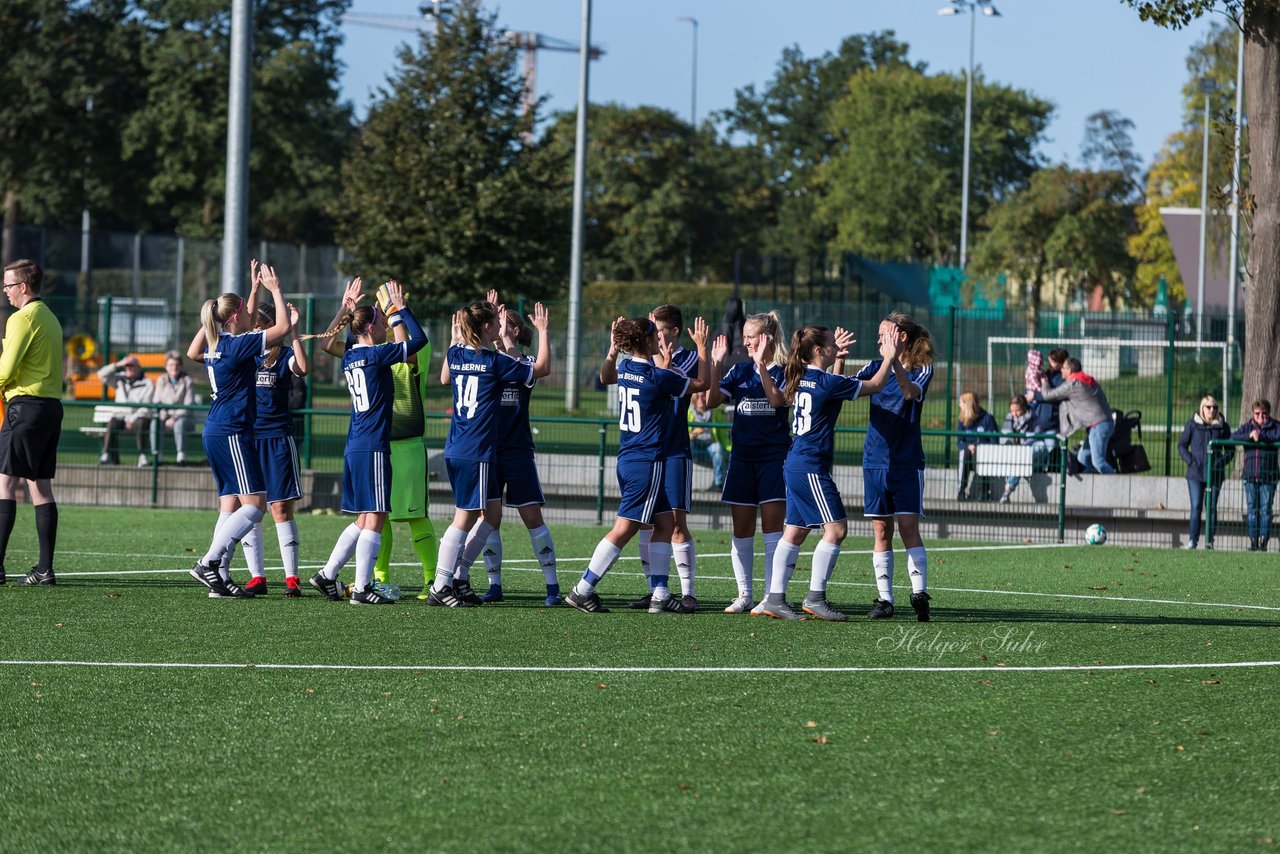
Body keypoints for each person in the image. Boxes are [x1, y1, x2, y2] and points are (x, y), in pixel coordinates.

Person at [564, 316, 710, 614]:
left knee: (665, 523)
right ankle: (583, 588)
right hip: (648, 460)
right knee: (624, 528)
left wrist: (612, 350)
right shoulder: (657, 375)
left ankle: (659, 593)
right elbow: (703, 384)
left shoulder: (627, 367)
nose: (659, 337)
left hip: (629, 456)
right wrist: (703, 349)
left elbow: (606, 377)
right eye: (654, 333)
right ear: (646, 340)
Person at [756, 322, 899, 621]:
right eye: (832, 345)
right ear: (819, 351)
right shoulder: (826, 383)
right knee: (836, 529)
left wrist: (840, 360)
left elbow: (830, 391)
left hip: (795, 462)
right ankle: (815, 598)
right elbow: (875, 386)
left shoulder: (801, 377)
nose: (837, 347)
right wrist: (889, 357)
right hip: (810, 465)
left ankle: (775, 599)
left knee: (794, 531)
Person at [310, 280, 428, 604]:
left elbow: (326, 343)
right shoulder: (377, 355)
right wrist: (398, 310)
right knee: (376, 517)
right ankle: (363, 588)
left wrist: (343, 309)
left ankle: (327, 574)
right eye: (381, 324)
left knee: (364, 518)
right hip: (373, 444)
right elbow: (419, 340)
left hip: (355, 445)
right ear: (374, 326)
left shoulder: (350, 356)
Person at [425, 299, 545, 607]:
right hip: (475, 450)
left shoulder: (455, 353)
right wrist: (539, 331)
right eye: (496, 322)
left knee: (491, 515)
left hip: (459, 446)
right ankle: (441, 585)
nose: (501, 325)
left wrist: (474, 328)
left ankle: (459, 577)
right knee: (463, 518)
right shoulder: (496, 362)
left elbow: (446, 376)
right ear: (488, 327)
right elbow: (538, 369)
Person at [185, 260, 291, 599]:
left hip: (216, 429)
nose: (251, 318)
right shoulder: (237, 345)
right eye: (245, 312)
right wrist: (275, 291)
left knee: (230, 503)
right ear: (234, 318)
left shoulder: (217, 346)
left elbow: (193, 350)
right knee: (256, 505)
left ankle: (219, 577)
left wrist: (252, 291)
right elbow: (282, 328)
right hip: (231, 430)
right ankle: (209, 562)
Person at [599, 303, 703, 612]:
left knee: (674, 523)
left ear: (673, 332)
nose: (653, 336)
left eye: (658, 329)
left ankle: (687, 593)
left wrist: (704, 355)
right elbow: (616, 375)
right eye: (651, 331)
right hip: (648, 453)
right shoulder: (645, 366)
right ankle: (655, 590)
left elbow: (707, 395)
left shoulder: (685, 359)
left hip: (673, 450)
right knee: (647, 524)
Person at [707, 311, 788, 614]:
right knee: (742, 530)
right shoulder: (738, 371)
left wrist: (763, 367)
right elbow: (712, 401)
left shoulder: (785, 369)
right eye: (745, 338)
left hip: (773, 459)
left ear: (767, 338)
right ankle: (744, 595)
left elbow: (777, 400)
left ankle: (772, 596)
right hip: (742, 459)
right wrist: (716, 365)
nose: (746, 344)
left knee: (772, 531)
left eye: (751, 338)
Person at [859, 312, 937, 621]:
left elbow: (909, 393)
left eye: (884, 333)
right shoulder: (873, 367)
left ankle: (919, 593)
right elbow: (843, 388)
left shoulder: (922, 370)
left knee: (907, 526)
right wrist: (836, 360)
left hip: (906, 464)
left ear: (901, 337)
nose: (878, 339)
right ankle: (885, 599)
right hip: (874, 462)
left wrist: (892, 363)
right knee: (881, 531)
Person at [237, 297, 309, 597]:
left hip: (278, 437)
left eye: (259, 322)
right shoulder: (247, 352)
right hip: (250, 437)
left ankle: (292, 578)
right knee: (252, 509)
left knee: (280, 508)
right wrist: (255, 288)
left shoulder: (285, 354)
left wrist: (293, 330)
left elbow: (303, 369)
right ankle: (258, 576)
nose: (254, 326)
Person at [0, 259, 64, 586]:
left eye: (9, 285)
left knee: (6, 483)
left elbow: (6, 370)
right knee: (40, 487)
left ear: (23, 287)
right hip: (51, 407)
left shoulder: (21, 318)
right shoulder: (50, 317)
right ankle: (44, 569)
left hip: (24, 407)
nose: (6, 291)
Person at [1032, 357, 1115, 475]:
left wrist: (1044, 382)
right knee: (1083, 457)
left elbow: (1049, 395)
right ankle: (1085, 489)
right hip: (1103, 424)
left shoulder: (1073, 385)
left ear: (1070, 370)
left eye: (1063, 368)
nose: (1061, 370)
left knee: (1098, 462)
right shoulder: (1087, 380)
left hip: (1098, 426)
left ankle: (1119, 486)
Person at [1178, 396, 1233, 550]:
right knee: (1196, 506)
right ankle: (1192, 541)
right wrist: (1190, 461)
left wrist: (1219, 463)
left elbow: (1230, 450)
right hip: (1195, 474)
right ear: (1202, 408)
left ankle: (1209, 541)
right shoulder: (1192, 425)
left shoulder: (1222, 427)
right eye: (1208, 407)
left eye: (1214, 407)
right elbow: (1181, 445)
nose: (1212, 410)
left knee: (1211, 507)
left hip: (1214, 474)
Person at [1231, 399, 1280, 551]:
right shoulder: (1247, 427)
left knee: (1266, 509)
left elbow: (1277, 436)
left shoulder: (1275, 426)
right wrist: (1249, 436)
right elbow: (1233, 437)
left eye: (1264, 414)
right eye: (1257, 414)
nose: (1261, 417)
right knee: (1252, 509)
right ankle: (1253, 541)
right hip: (1250, 475)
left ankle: (1263, 541)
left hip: (1269, 476)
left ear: (1268, 414)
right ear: (1253, 414)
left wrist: (1262, 435)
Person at [96, 354, 154, 467]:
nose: (129, 368)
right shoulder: (119, 379)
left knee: (142, 422)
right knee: (112, 422)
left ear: (138, 367)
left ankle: (142, 456)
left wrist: (131, 420)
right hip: (121, 417)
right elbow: (101, 375)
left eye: (132, 366)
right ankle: (107, 454)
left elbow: (146, 406)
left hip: (138, 418)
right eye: (127, 366)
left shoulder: (148, 383)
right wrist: (118, 364)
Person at [997, 395, 1052, 503]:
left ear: (1024, 408)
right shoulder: (1010, 418)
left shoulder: (1035, 419)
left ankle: (1008, 488)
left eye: (1017, 410)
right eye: (1012, 411)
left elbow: (1035, 437)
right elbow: (1005, 437)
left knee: (1040, 446)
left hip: (1034, 457)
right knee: (1021, 461)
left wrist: (1022, 450)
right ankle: (1007, 490)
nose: (1014, 414)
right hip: (1018, 457)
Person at [149, 351, 196, 465]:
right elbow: (157, 401)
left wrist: (174, 418)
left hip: (184, 419)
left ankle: (181, 457)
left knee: (179, 424)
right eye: (170, 365)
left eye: (176, 365)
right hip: (164, 417)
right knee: (155, 424)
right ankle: (157, 456)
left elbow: (188, 404)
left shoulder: (187, 380)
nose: (173, 367)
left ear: (180, 366)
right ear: (166, 367)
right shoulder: (161, 380)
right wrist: (165, 417)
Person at [956, 390, 999, 501]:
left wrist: (979, 447)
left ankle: (982, 494)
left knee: (980, 454)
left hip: (983, 455)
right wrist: (968, 447)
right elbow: (959, 441)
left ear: (968, 404)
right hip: (968, 455)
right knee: (964, 453)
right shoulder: (962, 420)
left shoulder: (987, 419)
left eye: (961, 402)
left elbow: (994, 441)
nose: (959, 405)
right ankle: (961, 492)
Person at [688, 390, 727, 490]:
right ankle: (686, 481)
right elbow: (683, 435)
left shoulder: (714, 413)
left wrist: (730, 450)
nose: (701, 399)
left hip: (709, 446)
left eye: (703, 396)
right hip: (694, 447)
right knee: (687, 445)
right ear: (694, 398)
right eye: (698, 397)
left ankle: (718, 483)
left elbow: (723, 435)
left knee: (717, 449)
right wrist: (695, 433)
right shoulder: (689, 412)